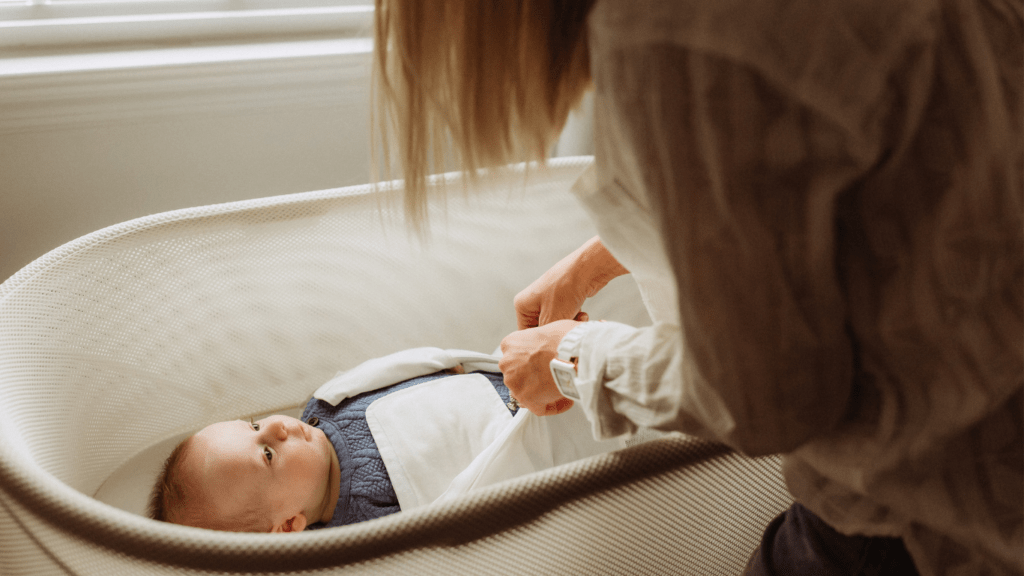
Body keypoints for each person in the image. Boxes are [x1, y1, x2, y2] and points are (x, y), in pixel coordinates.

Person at [372, 1, 1022, 575]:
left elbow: (770, 392)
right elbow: (829, 176)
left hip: (928, 492)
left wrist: (573, 357)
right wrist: (606, 256)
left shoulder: (673, 32)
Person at [148, 366, 516, 532]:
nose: (276, 426)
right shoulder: (363, 528)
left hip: (502, 373)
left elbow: (380, 373)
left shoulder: (324, 406)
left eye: (254, 426)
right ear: (289, 525)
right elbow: (458, 513)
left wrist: (436, 364)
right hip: (516, 436)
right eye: (267, 454)